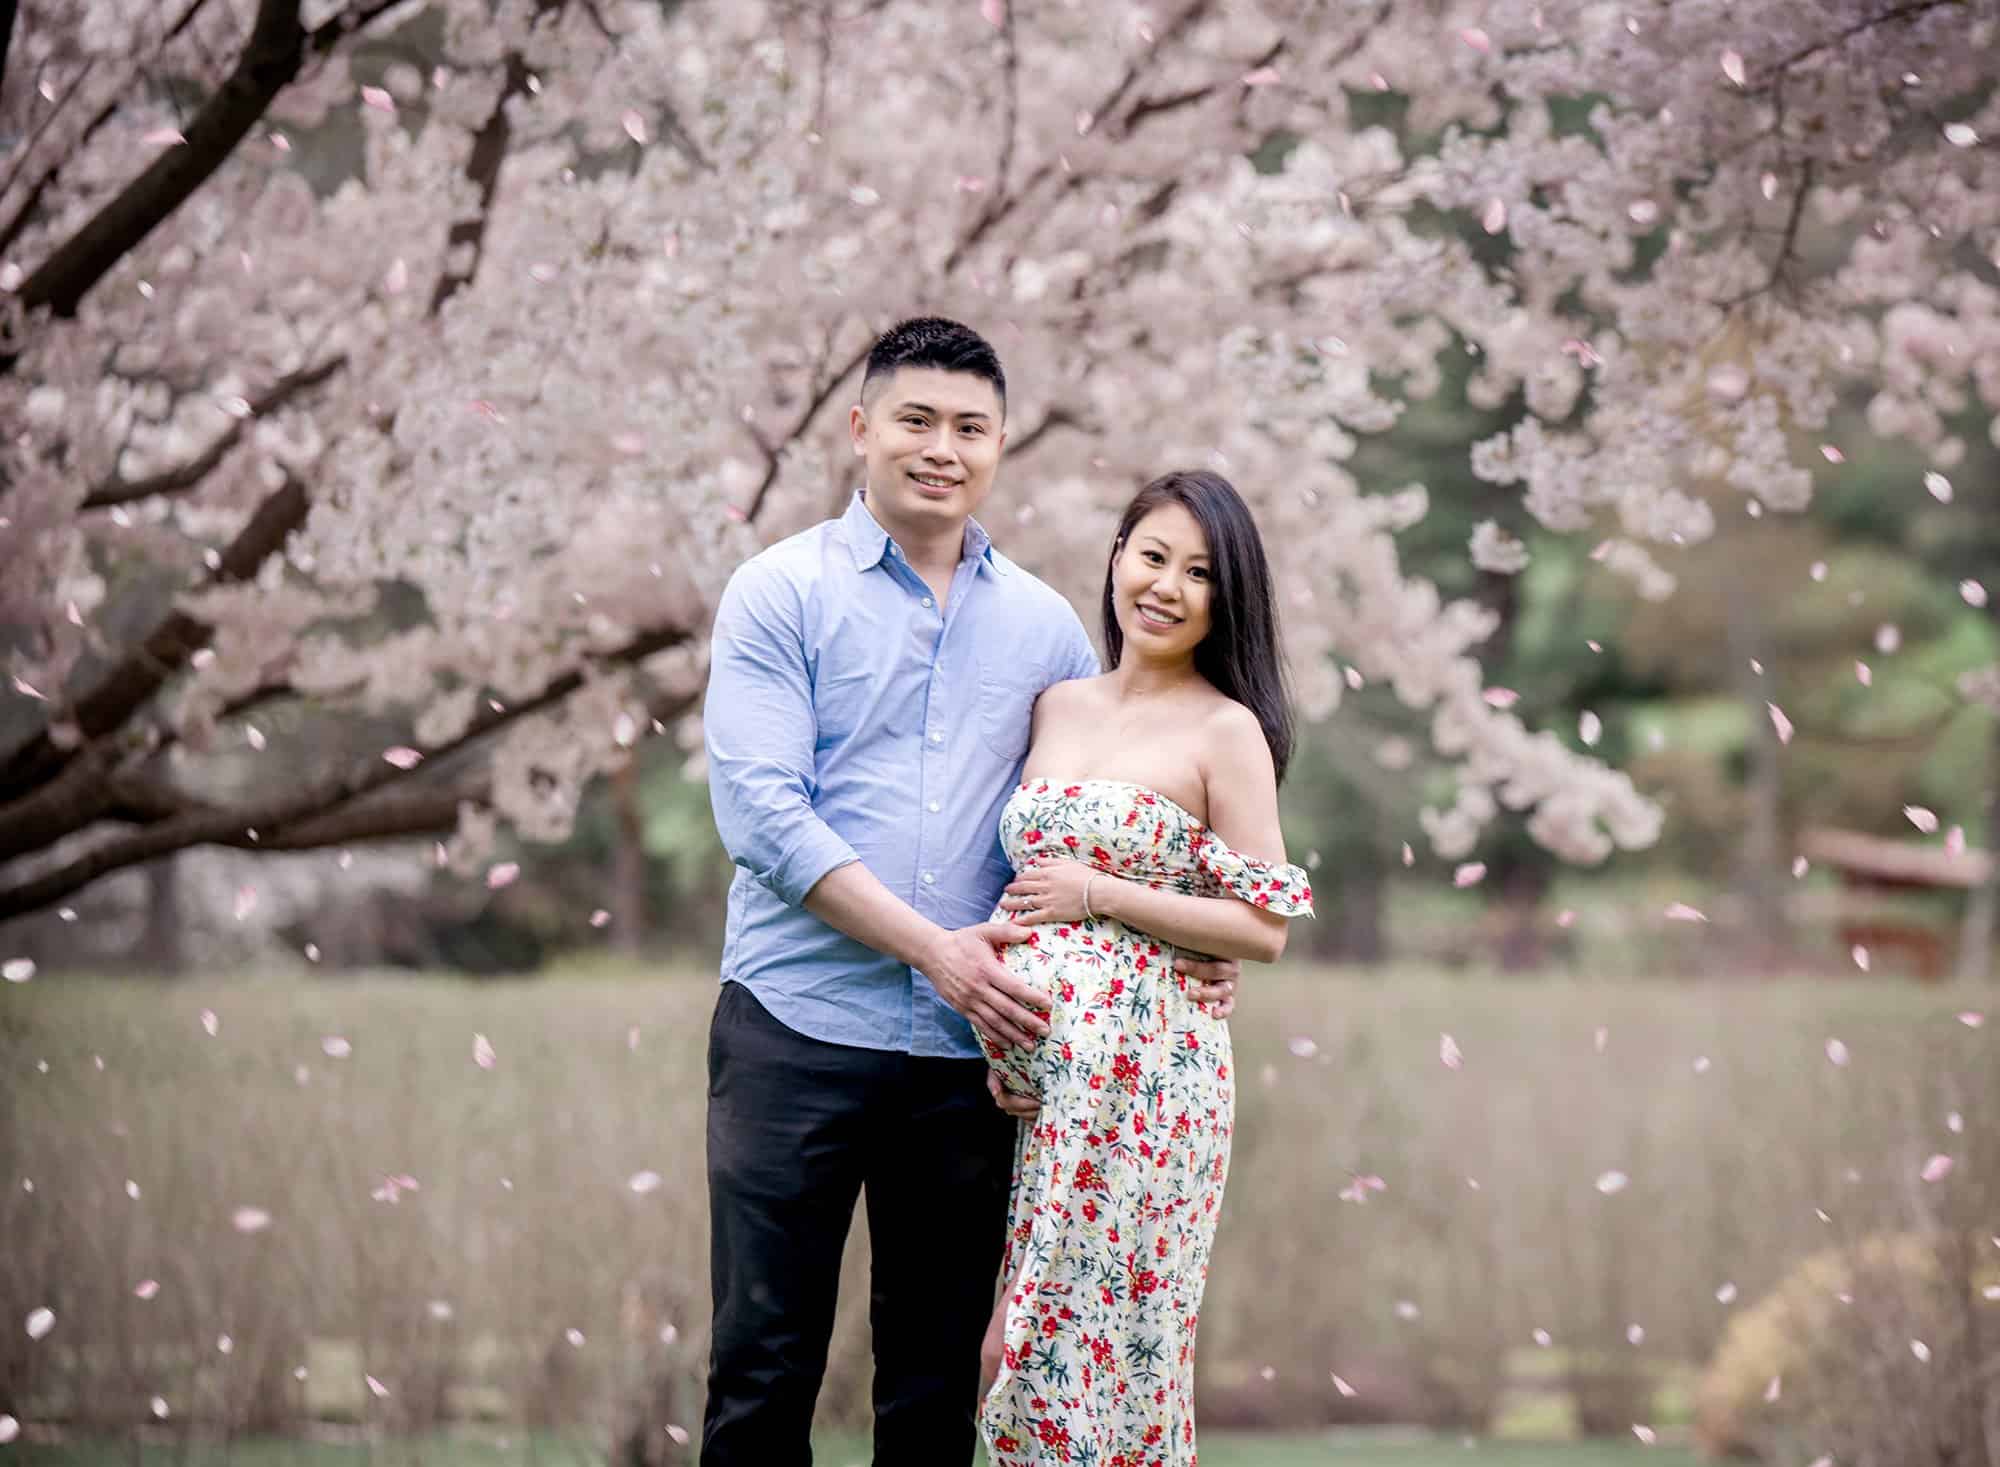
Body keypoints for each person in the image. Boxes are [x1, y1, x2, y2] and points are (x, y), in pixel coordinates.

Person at [700, 318, 1242, 1466]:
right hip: (794, 1030)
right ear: (860, 429)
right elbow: (762, 819)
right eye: (916, 421)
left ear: (998, 446)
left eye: (969, 428)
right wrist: (934, 949)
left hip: (973, 1059)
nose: (941, 448)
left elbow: (1088, 830)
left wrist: (1188, 949)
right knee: (761, 1369)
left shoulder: (1045, 631)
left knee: (933, 1385)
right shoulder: (778, 592)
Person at [973, 469, 1315, 1467]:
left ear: (1225, 598)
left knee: (1086, 1360)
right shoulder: (1055, 704)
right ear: (1117, 556)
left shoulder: (1225, 729)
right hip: (1041, 1091)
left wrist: (1100, 893)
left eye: (1198, 573)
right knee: (1021, 1358)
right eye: (1152, 555)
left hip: (1149, 1089)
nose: (1166, 586)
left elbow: (1261, 927)